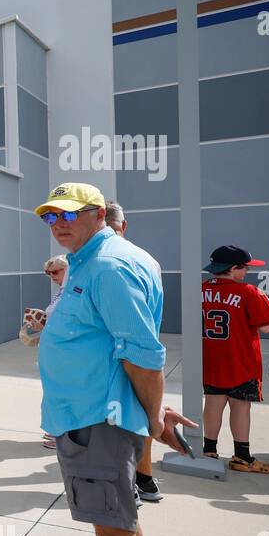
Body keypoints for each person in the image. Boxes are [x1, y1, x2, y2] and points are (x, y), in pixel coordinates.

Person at [31, 182, 197, 536]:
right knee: (122, 517)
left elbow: (143, 352)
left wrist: (154, 416)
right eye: (50, 217)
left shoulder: (108, 266)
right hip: (94, 413)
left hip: (97, 419)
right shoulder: (92, 258)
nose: (58, 224)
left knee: (113, 527)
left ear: (99, 214)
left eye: (69, 214)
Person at [200, 244, 269, 474]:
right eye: (244, 268)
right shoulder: (248, 291)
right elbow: (265, 328)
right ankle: (242, 456)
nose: (246, 273)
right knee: (240, 406)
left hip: (211, 358)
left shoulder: (200, 289)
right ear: (234, 268)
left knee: (213, 403)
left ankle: (209, 450)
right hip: (241, 361)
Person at [107, 201, 162, 500]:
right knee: (141, 414)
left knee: (118, 423)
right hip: (142, 354)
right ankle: (145, 479)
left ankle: (129, 486)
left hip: (122, 357)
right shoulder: (148, 260)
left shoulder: (110, 263)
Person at [23, 255, 70, 448]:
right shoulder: (60, 292)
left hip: (64, 351)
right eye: (48, 272)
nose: (51, 275)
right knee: (53, 392)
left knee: (61, 392)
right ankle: (55, 432)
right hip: (52, 349)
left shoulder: (72, 293)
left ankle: (60, 434)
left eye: (55, 271)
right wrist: (41, 324)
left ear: (68, 270)